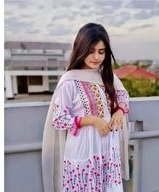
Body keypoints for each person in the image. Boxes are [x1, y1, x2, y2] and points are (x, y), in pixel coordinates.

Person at [42, 23, 130, 192]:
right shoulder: (70, 80)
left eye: (101, 51)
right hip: (83, 148)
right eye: (91, 51)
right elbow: (59, 119)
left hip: (107, 145)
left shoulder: (105, 74)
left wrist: (120, 110)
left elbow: (123, 95)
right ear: (81, 49)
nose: (96, 57)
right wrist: (92, 120)